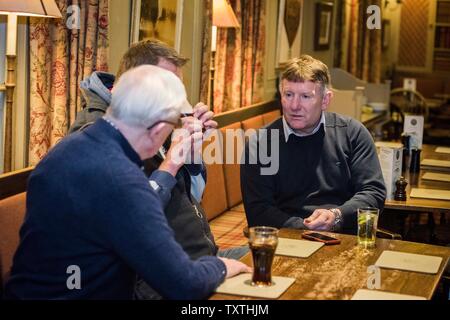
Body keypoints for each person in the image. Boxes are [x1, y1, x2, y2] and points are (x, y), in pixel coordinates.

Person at [4, 65, 251, 300]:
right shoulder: (123, 179)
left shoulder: (60, 152)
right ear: (159, 130)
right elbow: (184, 284)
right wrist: (220, 266)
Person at [68, 40, 248, 299]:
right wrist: (172, 161)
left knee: (277, 258)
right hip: (158, 277)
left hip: (202, 254)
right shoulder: (91, 135)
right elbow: (127, 220)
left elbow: (193, 198)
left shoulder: (149, 115)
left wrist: (193, 150)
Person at [240, 55, 386, 234]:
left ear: (325, 100)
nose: (294, 105)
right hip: (286, 239)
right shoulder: (261, 143)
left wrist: (336, 215)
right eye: (288, 94)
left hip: (343, 235)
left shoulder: (352, 133)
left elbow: (373, 192)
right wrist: (305, 227)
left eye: (305, 96)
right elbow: (258, 211)